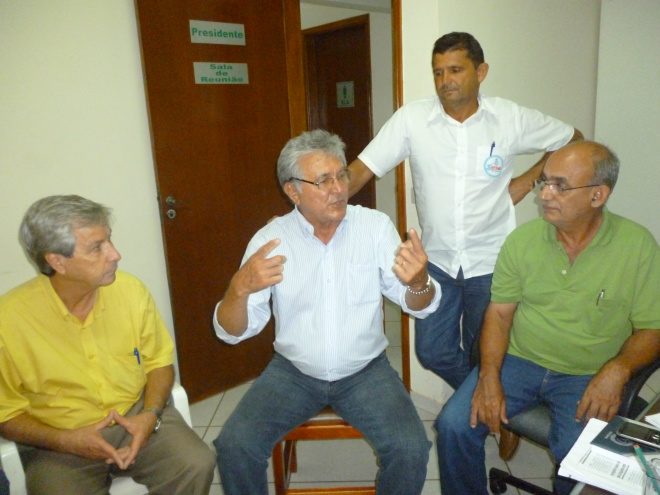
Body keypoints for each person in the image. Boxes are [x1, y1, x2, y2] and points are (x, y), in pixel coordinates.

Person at [348, 31, 584, 390]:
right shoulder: (412, 119)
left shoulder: (508, 117)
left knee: (484, 351)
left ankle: (486, 409)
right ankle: (488, 401)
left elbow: (573, 138)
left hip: (491, 262)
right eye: (439, 72)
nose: (446, 81)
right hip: (438, 261)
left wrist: (530, 179)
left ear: (481, 71)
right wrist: (317, 200)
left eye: (455, 70)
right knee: (431, 351)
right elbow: (362, 169)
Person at [212, 129, 441, 495]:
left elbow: (421, 304)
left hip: (366, 371)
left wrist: (418, 282)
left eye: (341, 176)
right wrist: (238, 290)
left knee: (411, 447)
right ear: (293, 191)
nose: (338, 189)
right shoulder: (270, 241)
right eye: (323, 180)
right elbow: (232, 331)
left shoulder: (375, 228)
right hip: (293, 373)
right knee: (234, 446)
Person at [435, 140, 660, 495]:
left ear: (597, 195)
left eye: (560, 185)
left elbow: (652, 328)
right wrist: (489, 375)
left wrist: (617, 369)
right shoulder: (522, 241)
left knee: (582, 462)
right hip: (520, 362)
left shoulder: (638, 246)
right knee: (452, 425)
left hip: (586, 373)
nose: (544, 195)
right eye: (545, 183)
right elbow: (499, 315)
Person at [0, 195, 215, 495]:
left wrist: (149, 415)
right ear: (56, 261)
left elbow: (159, 363)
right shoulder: (8, 320)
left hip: (137, 415)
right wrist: (65, 441)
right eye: (96, 247)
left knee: (196, 463)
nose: (115, 255)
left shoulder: (130, 291)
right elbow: (5, 414)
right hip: (59, 442)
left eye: (109, 241)